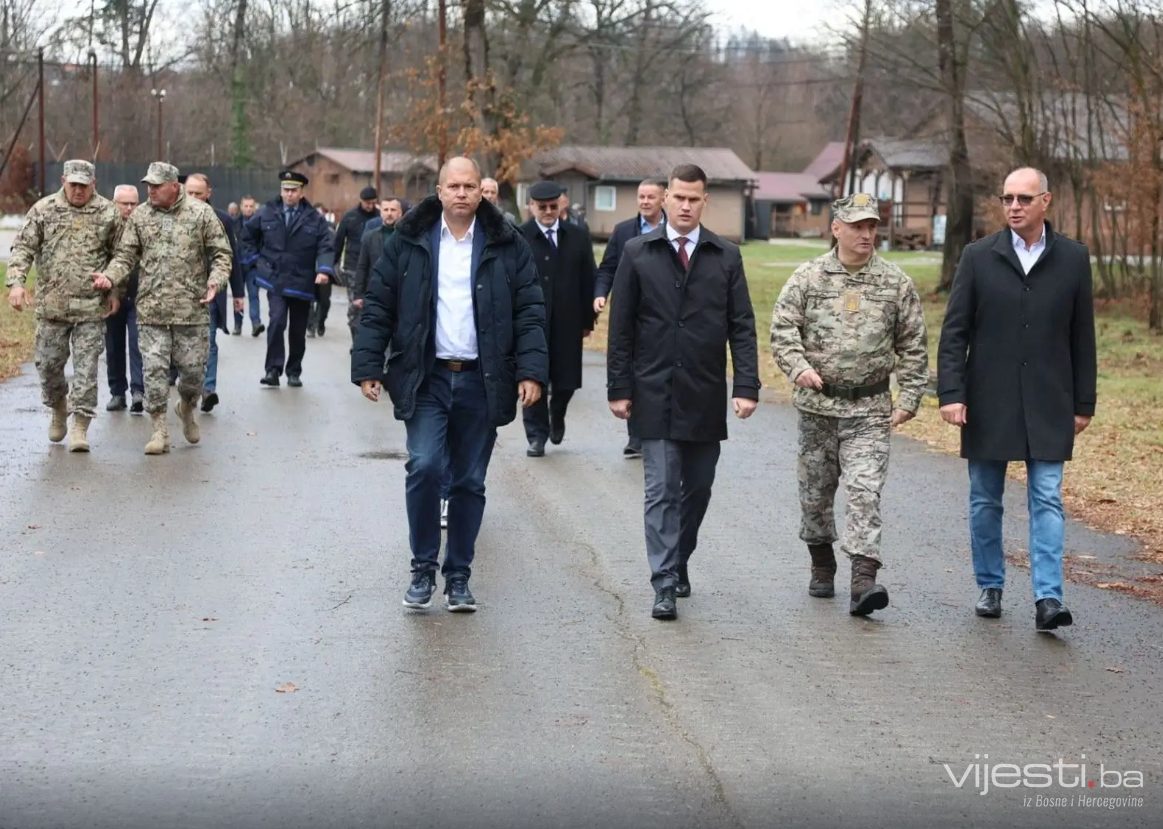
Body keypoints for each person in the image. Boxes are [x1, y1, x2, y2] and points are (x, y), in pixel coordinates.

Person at [352, 156, 547, 612]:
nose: (461, 193)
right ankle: (422, 569)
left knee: (469, 481)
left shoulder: (507, 244)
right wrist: (368, 365)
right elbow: (379, 304)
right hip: (427, 378)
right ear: (438, 192)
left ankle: (458, 575)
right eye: (453, 186)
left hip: (482, 379)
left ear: (481, 191)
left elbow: (530, 311)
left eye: (469, 186)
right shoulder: (410, 241)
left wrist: (532, 371)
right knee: (423, 466)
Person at [937, 167, 1097, 632]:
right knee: (985, 498)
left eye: (1024, 198)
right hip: (989, 398)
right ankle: (990, 585)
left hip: (1050, 399)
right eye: (1007, 198)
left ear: (1046, 201)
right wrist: (952, 392)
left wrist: (1083, 402)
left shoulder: (1073, 258)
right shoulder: (977, 257)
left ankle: (1049, 598)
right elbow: (955, 333)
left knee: (1047, 496)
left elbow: (1082, 336)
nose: (1013, 206)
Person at [606, 163, 760, 620]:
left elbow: (742, 326)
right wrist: (619, 387)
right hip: (652, 391)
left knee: (698, 488)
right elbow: (621, 330)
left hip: (704, 392)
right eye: (680, 197)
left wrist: (746, 384)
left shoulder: (725, 255)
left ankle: (679, 558)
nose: (687, 205)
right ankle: (665, 582)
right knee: (660, 491)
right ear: (666, 199)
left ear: (704, 201)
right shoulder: (637, 252)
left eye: (695, 198)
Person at [770, 193, 929, 617]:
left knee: (864, 490)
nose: (866, 234)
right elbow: (783, 330)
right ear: (836, 228)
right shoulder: (807, 278)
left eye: (872, 226)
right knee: (815, 493)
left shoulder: (895, 284)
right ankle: (822, 565)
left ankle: (864, 579)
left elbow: (913, 344)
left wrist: (910, 396)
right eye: (857, 226)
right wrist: (798, 367)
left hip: (870, 410)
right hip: (818, 408)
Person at [92, 162, 232, 455]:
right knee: (154, 372)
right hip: (152, 311)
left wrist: (215, 282)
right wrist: (110, 277)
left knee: (193, 375)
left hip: (191, 311)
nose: (151, 191)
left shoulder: (200, 213)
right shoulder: (141, 216)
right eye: (148, 186)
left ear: (174, 187)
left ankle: (186, 406)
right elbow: (125, 255)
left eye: (156, 186)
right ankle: (159, 430)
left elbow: (221, 254)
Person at [5, 159, 121, 451]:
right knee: (47, 366)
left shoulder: (108, 212)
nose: (79, 191)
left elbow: (121, 255)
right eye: (74, 185)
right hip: (52, 308)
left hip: (91, 308)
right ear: (63, 181)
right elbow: (22, 248)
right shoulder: (44, 210)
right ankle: (58, 405)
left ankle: (80, 426)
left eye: (84, 185)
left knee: (86, 369)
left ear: (93, 183)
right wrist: (16, 283)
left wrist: (113, 285)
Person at [519, 180, 596, 456]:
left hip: (568, 319)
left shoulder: (577, 236)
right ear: (532, 207)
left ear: (561, 204)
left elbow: (589, 278)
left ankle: (558, 412)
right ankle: (536, 436)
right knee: (533, 377)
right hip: (531, 322)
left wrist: (589, 320)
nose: (548, 211)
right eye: (542, 207)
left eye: (553, 206)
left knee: (566, 381)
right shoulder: (520, 236)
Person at [239, 170, 336, 388]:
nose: (289, 194)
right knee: (277, 321)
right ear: (281, 190)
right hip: (276, 278)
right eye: (285, 190)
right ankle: (273, 369)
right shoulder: (267, 212)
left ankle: (294, 371)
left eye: (293, 190)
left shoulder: (314, 218)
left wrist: (323, 269)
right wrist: (256, 261)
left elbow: (326, 246)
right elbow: (247, 237)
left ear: (301, 192)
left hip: (302, 281)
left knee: (298, 330)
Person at [594, 179, 666, 459]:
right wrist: (601, 293)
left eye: (651, 197)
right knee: (634, 370)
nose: (645, 201)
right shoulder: (624, 231)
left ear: (663, 199)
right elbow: (607, 267)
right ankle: (636, 436)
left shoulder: (672, 230)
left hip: (664, 313)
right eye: (641, 196)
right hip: (632, 312)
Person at [182, 173, 245, 412]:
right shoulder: (173, 216)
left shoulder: (222, 219)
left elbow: (232, 258)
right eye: (190, 192)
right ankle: (184, 383)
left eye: (199, 193)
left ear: (208, 194)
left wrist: (238, 293)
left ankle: (208, 389)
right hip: (179, 292)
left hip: (210, 291)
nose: (195, 197)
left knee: (209, 341)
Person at [104, 184, 145, 414]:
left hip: (139, 294)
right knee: (114, 345)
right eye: (124, 203)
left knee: (138, 343)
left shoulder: (144, 225)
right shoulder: (106, 227)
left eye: (133, 203)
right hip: (113, 294)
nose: (129, 208)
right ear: (114, 203)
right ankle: (117, 392)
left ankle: (138, 390)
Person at [333, 187, 382, 343]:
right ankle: (357, 339)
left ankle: (368, 339)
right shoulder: (349, 217)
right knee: (356, 304)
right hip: (353, 267)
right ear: (361, 201)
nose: (369, 206)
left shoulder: (380, 217)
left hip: (374, 267)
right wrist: (332, 264)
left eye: (372, 203)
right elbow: (338, 241)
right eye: (367, 203)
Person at [234, 195, 264, 337]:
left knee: (253, 295)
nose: (248, 209)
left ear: (255, 207)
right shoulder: (234, 223)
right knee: (238, 296)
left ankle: (256, 323)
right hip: (238, 265)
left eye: (251, 206)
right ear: (241, 207)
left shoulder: (260, 224)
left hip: (253, 264)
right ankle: (238, 324)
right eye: (246, 206)